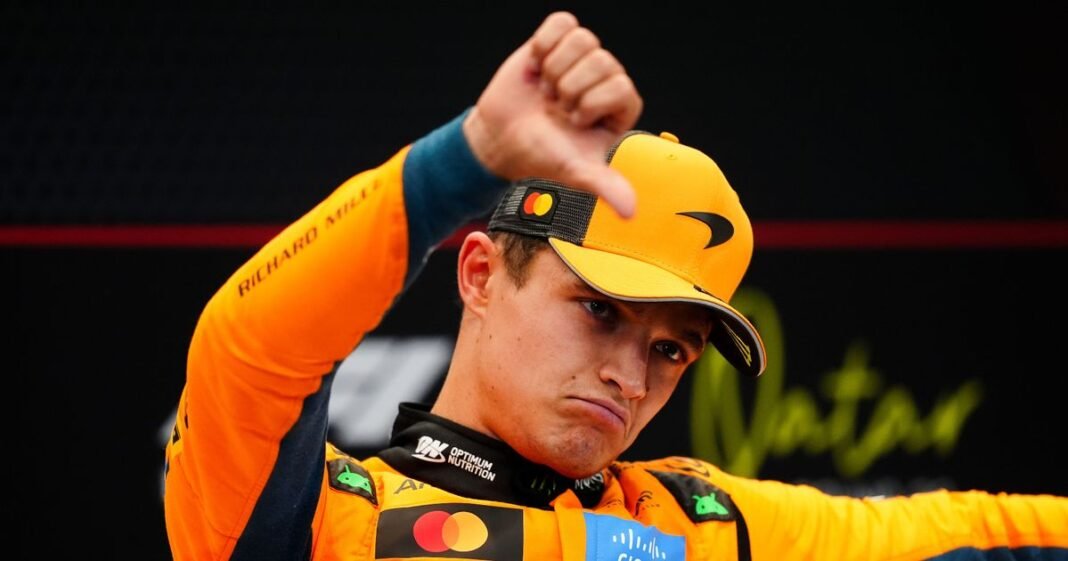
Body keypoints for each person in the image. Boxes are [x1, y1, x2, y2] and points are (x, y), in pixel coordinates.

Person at [163, 11, 1068, 561]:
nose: (631, 377)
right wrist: (464, 160)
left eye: (670, 348)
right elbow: (247, 352)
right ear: (480, 274)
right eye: (599, 310)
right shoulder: (323, 522)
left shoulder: (705, 523)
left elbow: (987, 533)